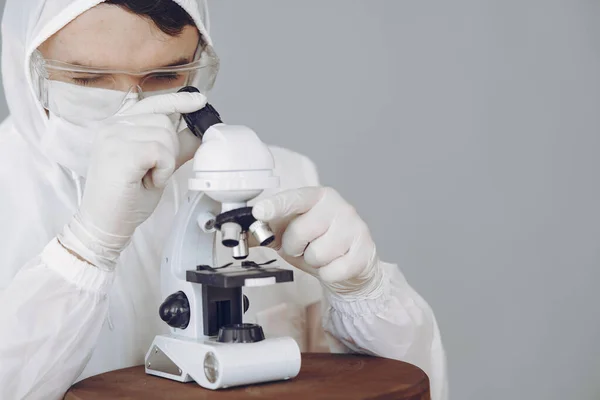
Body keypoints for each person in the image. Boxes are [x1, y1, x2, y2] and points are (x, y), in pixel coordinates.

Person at [0, 0, 448, 399]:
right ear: (21, 65)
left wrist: (363, 297)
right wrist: (87, 247)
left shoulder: (274, 176)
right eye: (87, 80)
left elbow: (413, 385)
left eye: (166, 76)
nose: (130, 109)